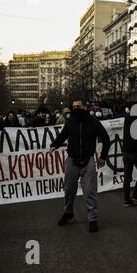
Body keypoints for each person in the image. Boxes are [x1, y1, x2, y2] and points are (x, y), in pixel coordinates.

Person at [50, 98, 110, 233]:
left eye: (78, 106)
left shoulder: (94, 122)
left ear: (85, 107)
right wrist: (54, 145)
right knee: (69, 189)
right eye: (74, 106)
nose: (76, 108)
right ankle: (68, 212)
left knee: (90, 191)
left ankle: (93, 219)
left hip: (88, 161)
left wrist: (103, 157)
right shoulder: (70, 121)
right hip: (72, 160)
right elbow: (63, 135)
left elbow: (106, 139)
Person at [122, 107, 137, 206]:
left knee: (127, 176)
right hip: (136, 152)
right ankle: (136, 194)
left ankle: (126, 200)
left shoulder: (126, 120)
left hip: (126, 152)